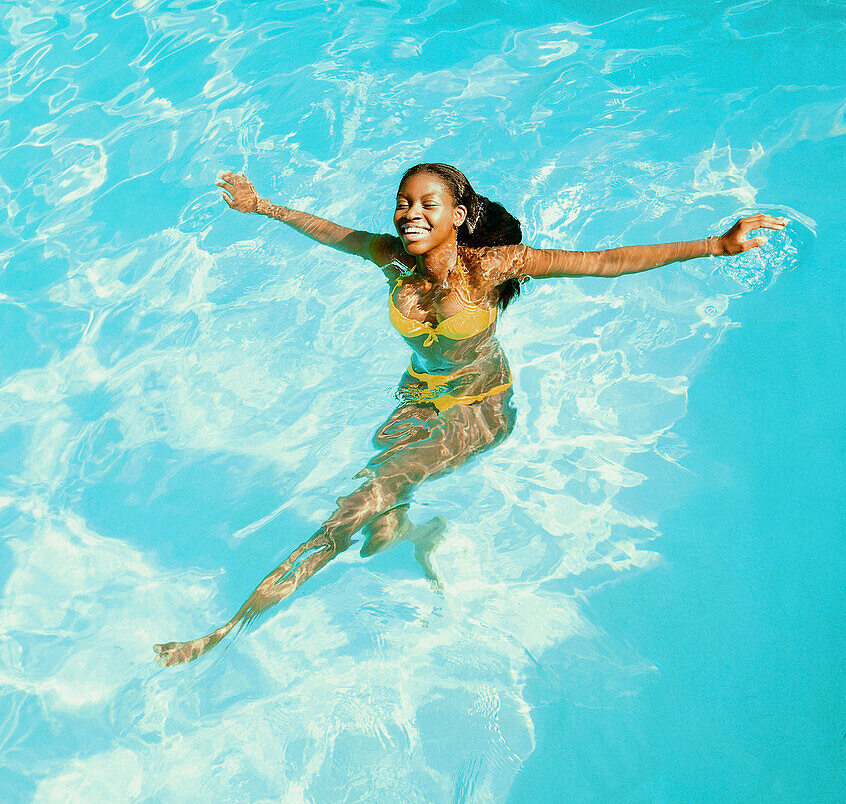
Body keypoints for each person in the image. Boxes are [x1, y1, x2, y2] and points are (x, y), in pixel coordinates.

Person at [154, 163, 787, 666]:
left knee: (351, 512)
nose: (412, 214)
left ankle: (224, 634)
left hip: (476, 414)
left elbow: (605, 261)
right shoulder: (392, 259)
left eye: (429, 204)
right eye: (405, 203)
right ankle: (414, 536)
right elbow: (330, 232)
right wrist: (260, 206)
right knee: (377, 522)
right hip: (417, 400)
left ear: (458, 216)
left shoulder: (490, 268)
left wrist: (716, 245)